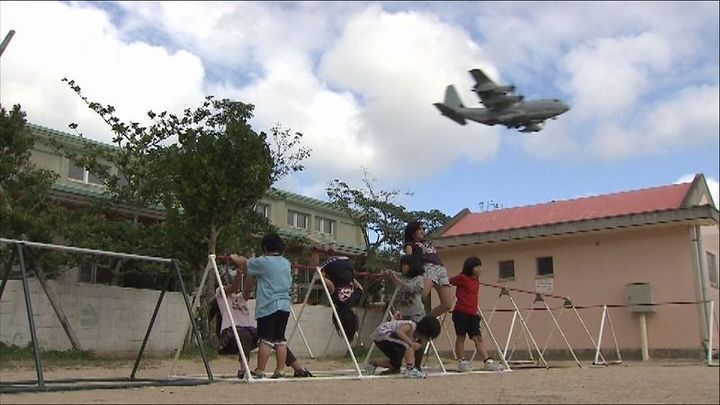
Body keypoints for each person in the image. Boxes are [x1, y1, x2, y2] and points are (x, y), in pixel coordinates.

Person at [209, 279, 313, 379]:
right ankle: (243, 369)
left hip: (249, 330)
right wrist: (240, 271)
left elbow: (248, 288)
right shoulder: (220, 294)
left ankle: (298, 368)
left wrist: (250, 273)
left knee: (275, 338)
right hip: (230, 333)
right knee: (243, 334)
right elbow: (234, 287)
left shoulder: (241, 297)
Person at [228, 233, 292, 379]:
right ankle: (280, 370)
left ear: (264, 248)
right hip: (284, 305)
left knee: (265, 339)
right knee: (280, 340)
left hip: (269, 306)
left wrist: (233, 257)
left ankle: (260, 370)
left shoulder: (263, 262)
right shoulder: (286, 263)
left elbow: (244, 263)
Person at [449, 256, 502, 372]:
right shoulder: (462, 278)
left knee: (478, 337)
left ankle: (487, 361)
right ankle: (461, 362)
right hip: (461, 312)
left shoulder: (476, 280)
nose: (480, 269)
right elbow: (450, 281)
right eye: (477, 266)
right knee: (461, 337)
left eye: (480, 266)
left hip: (472, 313)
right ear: (470, 267)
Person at [404, 221, 453, 318]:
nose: (422, 231)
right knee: (420, 296)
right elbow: (408, 259)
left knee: (447, 304)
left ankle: (426, 321)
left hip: (440, 268)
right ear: (412, 232)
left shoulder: (426, 243)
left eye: (423, 229)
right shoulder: (410, 244)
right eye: (419, 229)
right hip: (428, 268)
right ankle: (405, 314)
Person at [365, 316, 441, 379]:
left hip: (387, 338)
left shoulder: (417, 337)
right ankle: (410, 369)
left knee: (396, 363)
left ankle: (373, 364)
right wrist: (411, 343)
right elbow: (398, 332)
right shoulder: (411, 325)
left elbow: (418, 349)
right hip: (383, 333)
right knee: (408, 346)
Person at [319, 253, 364, 342]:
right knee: (318, 270)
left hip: (348, 262)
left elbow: (360, 288)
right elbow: (331, 286)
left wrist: (351, 278)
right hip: (333, 262)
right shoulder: (338, 300)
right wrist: (322, 277)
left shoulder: (353, 300)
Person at [383, 254, 425, 322]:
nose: (403, 267)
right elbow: (393, 274)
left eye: (405, 265)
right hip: (403, 314)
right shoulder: (402, 276)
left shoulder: (419, 279)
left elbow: (410, 288)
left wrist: (396, 279)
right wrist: (388, 272)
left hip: (416, 314)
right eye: (402, 265)